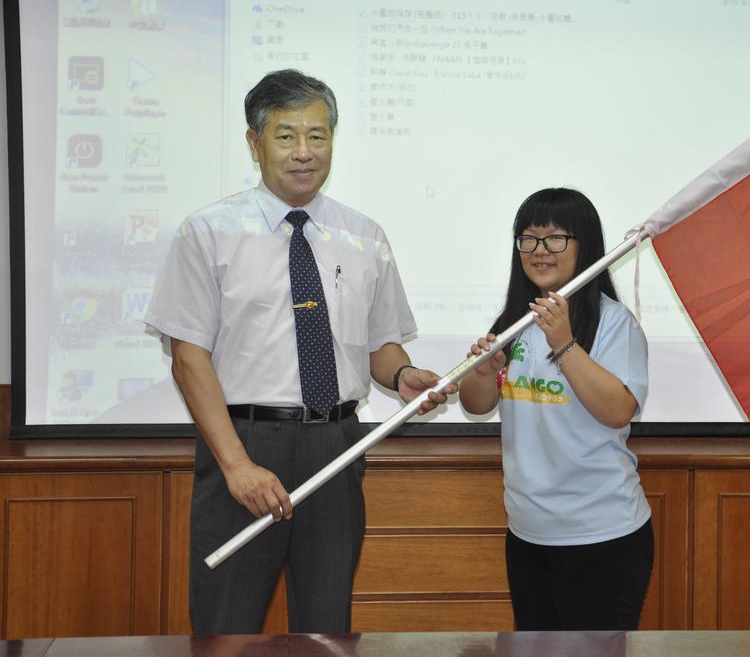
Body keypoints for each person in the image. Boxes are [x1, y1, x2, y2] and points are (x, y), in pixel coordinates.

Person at [144, 69, 452, 635]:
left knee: (327, 627)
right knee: (225, 628)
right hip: (245, 444)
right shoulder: (208, 232)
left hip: (334, 447)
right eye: (286, 136)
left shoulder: (365, 236)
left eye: (318, 135)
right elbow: (189, 359)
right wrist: (236, 465)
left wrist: (403, 374)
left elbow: (379, 345)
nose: (304, 152)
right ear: (254, 142)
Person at [459, 187, 653, 631]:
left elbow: (618, 410)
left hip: (603, 535)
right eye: (528, 239)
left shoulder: (614, 323)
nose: (539, 251)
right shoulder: (514, 322)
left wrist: (563, 343)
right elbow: (476, 404)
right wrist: (484, 371)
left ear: (585, 245)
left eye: (555, 239)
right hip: (528, 534)